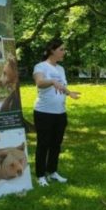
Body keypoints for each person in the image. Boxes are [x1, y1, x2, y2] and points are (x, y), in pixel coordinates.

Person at [32, 38, 80, 187]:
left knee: (56, 144)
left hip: (60, 113)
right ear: (52, 50)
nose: (64, 52)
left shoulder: (60, 69)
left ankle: (52, 171)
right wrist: (52, 81)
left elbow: (61, 85)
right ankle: (40, 175)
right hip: (44, 113)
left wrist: (69, 93)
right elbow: (39, 82)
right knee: (43, 144)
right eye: (61, 49)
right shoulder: (40, 66)